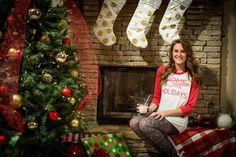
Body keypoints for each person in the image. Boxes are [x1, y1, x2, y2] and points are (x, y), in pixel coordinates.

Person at [129, 39, 201, 157]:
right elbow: (157, 98)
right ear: (171, 53)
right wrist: (148, 109)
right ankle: (164, 152)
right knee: (134, 122)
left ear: (188, 54)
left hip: (177, 120)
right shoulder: (162, 71)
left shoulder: (193, 77)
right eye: (176, 51)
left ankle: (174, 155)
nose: (179, 54)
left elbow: (189, 108)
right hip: (160, 115)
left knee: (145, 124)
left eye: (183, 51)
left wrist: (165, 113)